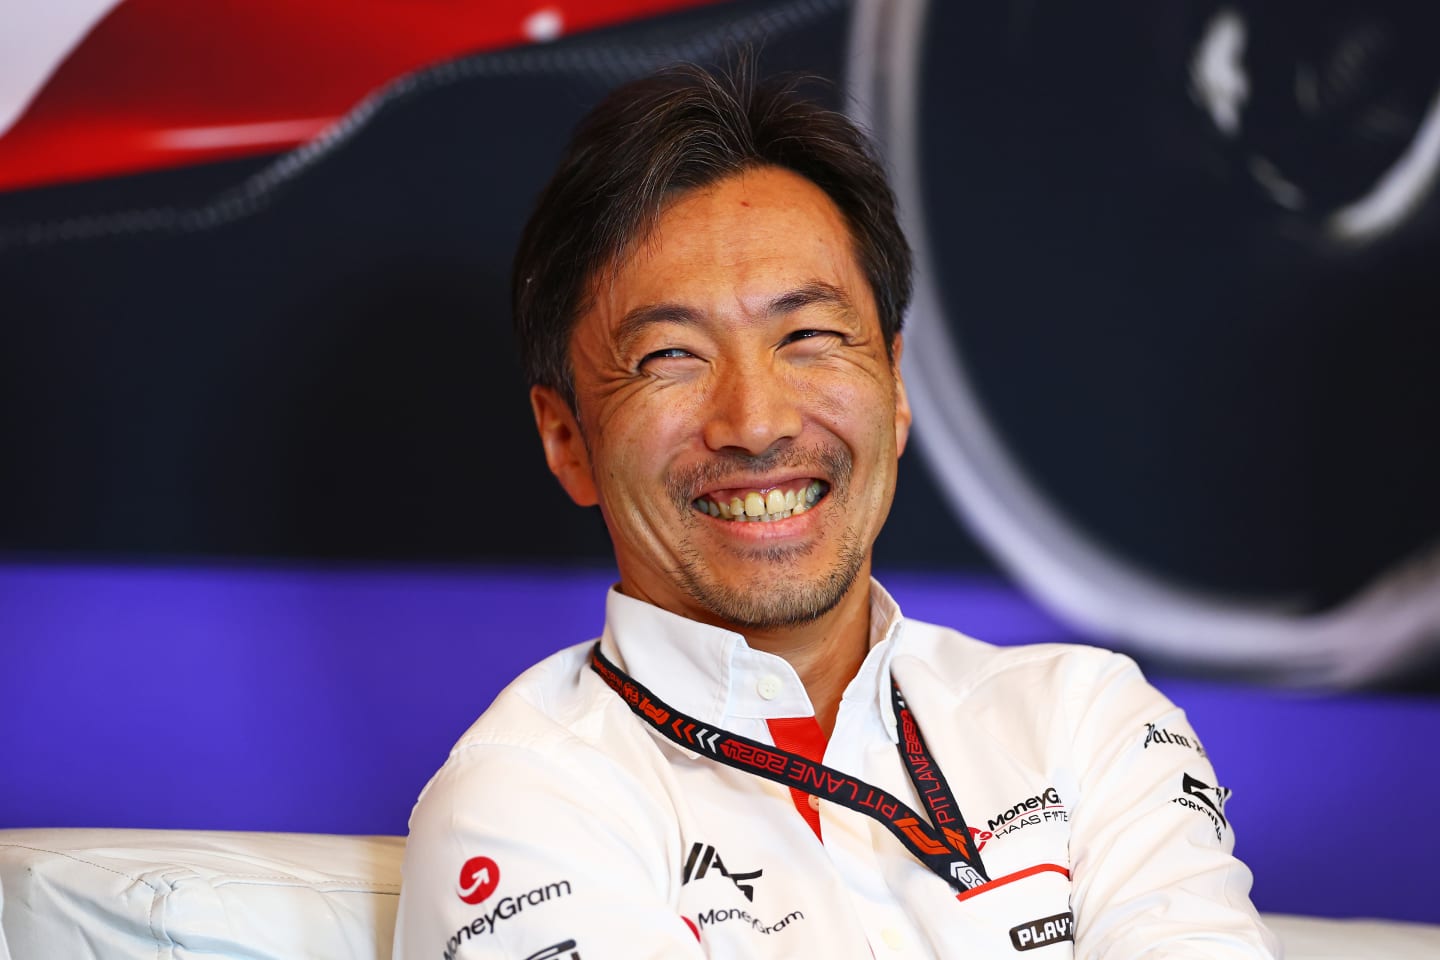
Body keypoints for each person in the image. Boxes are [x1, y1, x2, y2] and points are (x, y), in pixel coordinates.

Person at [393, 62, 1279, 960]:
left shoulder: (1084, 721)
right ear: (566, 438)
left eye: (808, 336)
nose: (755, 422)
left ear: (896, 385)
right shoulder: (523, 805)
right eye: (670, 355)